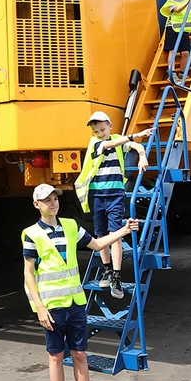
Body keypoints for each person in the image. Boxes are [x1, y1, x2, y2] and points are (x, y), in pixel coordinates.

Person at [23, 183, 139, 381]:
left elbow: (98, 245)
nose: (53, 202)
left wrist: (123, 230)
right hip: (51, 308)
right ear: (36, 205)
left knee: (79, 355)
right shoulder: (31, 234)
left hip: (75, 305)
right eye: (47, 199)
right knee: (55, 358)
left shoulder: (71, 226)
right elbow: (28, 274)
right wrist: (39, 307)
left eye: (55, 198)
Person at [73, 112, 151, 299]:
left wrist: (141, 155)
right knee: (101, 236)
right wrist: (133, 136)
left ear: (110, 125)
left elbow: (135, 145)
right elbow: (110, 144)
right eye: (96, 131)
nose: (100, 133)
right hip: (97, 195)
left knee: (116, 234)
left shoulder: (118, 139)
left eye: (102, 129)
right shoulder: (95, 143)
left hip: (115, 195)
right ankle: (107, 270)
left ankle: (117, 276)